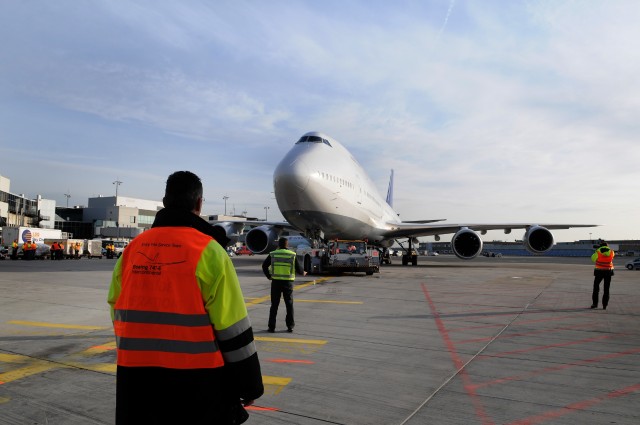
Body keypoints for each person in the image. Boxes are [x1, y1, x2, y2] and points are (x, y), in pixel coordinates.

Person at [107, 171, 263, 424]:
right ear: (199, 204)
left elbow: (116, 307)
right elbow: (232, 326)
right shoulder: (210, 251)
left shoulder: (133, 250)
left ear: (165, 201)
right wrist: (249, 384)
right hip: (198, 385)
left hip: (136, 382)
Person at [262, 237, 306, 333]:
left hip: (276, 282)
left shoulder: (273, 254)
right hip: (288, 283)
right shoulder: (292, 255)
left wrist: (269, 276)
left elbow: (264, 265)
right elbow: (299, 269)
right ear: (287, 244)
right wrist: (303, 272)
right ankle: (290, 326)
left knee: (274, 305)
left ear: (279, 245)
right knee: (289, 305)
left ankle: (271, 327)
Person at [591, 241, 615, 310]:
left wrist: (596, 251)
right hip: (608, 271)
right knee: (606, 289)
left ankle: (595, 304)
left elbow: (593, 259)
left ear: (600, 246)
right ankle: (605, 305)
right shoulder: (611, 251)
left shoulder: (598, 251)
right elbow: (611, 257)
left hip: (599, 271)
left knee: (596, 288)